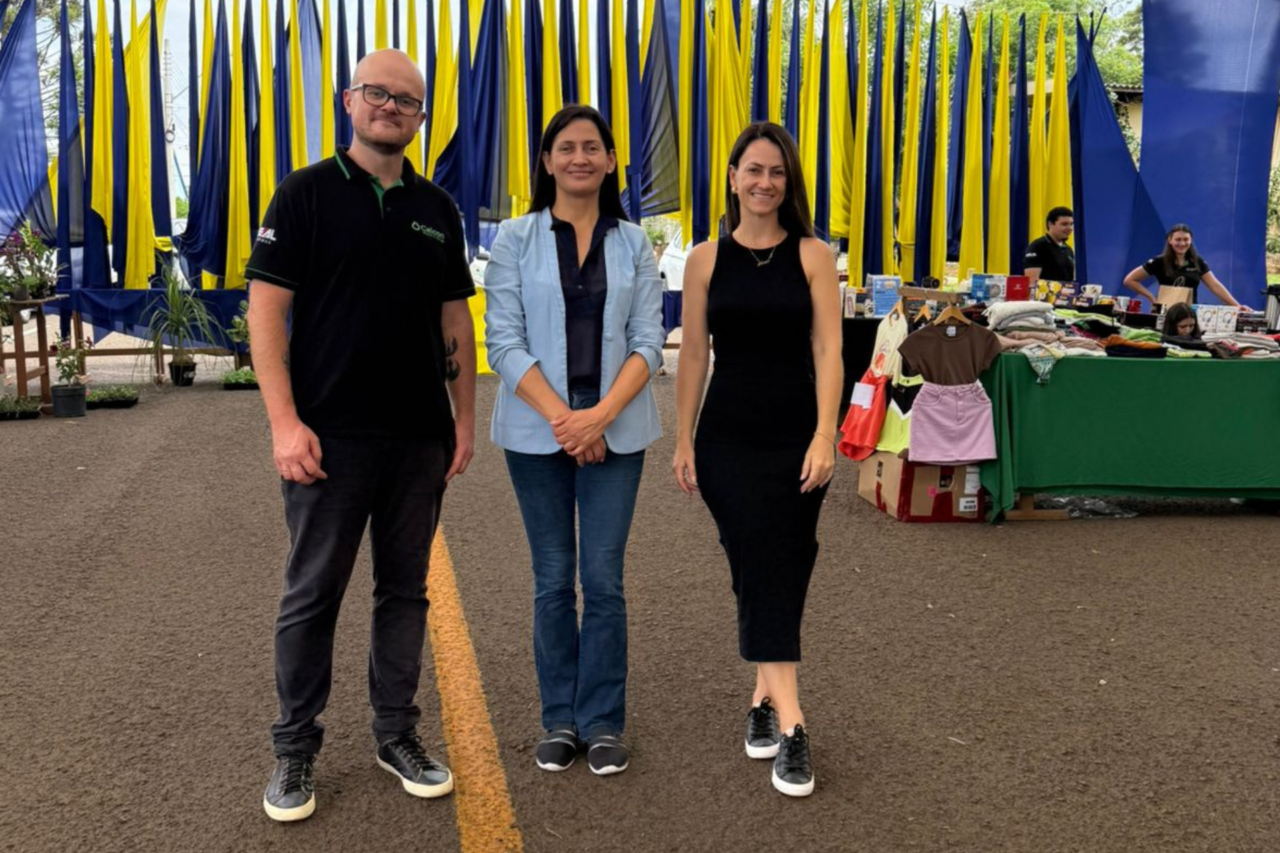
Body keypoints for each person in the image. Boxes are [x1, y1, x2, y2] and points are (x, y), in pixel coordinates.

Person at [244, 49, 477, 822]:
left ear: (420, 117)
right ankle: (294, 747)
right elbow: (266, 312)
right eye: (378, 93)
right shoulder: (304, 194)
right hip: (327, 440)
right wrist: (284, 423)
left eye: (407, 101)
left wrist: (463, 419)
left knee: (404, 590)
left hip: (417, 439)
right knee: (313, 592)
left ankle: (395, 733)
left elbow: (453, 319)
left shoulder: (436, 207)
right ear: (350, 101)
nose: (392, 107)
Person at [483, 105, 664, 777]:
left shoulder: (634, 243)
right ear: (547, 160)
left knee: (604, 580)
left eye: (592, 147)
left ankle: (603, 719)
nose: (579, 157)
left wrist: (599, 417)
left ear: (611, 161)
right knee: (553, 578)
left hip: (618, 429)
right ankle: (559, 716)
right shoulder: (515, 239)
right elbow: (503, 341)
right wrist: (566, 419)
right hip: (538, 431)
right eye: (566, 147)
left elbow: (650, 341)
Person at [672, 122, 842, 798]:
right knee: (756, 563)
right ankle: (794, 723)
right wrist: (683, 438)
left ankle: (764, 701)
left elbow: (829, 350)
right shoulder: (704, 259)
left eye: (776, 171)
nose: (764, 182)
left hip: (797, 436)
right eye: (754, 169)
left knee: (781, 563)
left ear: (788, 181)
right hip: (726, 440)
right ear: (733, 177)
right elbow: (693, 354)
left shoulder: (814, 255)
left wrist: (826, 434)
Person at [1123, 224, 1247, 309]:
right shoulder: (1158, 261)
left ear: (1191, 240)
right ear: (1170, 240)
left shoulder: (1198, 261)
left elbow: (1215, 286)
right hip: (1164, 312)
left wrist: (1237, 306)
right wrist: (1151, 297)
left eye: (1186, 239)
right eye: (1178, 239)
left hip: (1190, 314)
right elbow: (1130, 280)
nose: (1182, 243)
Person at [1023, 207, 1076, 284]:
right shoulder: (1037, 246)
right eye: (1064, 224)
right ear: (1050, 224)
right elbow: (1032, 282)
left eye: (1071, 224)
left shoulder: (1068, 249)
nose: (1069, 228)